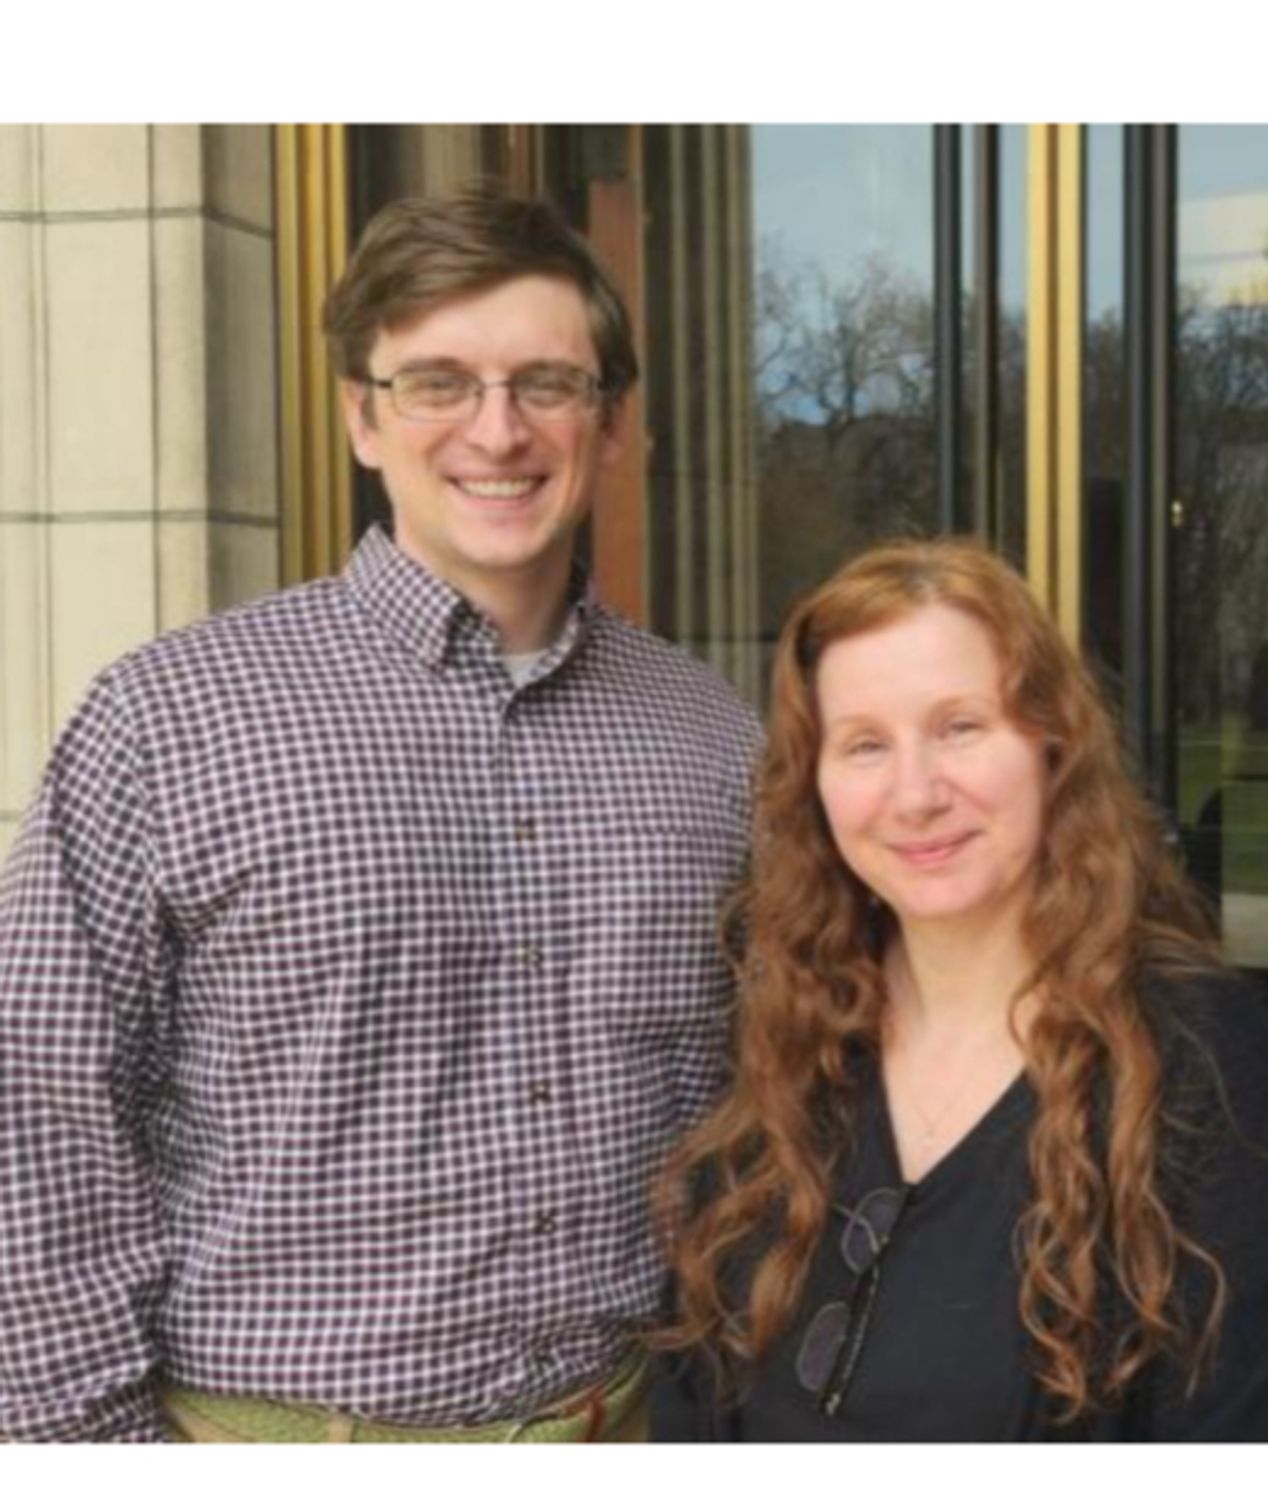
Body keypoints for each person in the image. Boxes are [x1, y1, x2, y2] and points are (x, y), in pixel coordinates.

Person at [0, 187, 761, 1442]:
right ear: (362, 416)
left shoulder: (711, 736)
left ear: (611, 422)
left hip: (633, 1424)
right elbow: (37, 1124)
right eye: (437, 382)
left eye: (546, 383)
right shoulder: (170, 719)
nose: (497, 430)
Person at [648, 539, 1268, 1441]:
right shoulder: (794, 1020)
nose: (915, 794)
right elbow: (694, 1389)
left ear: (1050, 743)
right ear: (813, 786)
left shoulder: (1191, 1051)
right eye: (863, 745)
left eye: (960, 727)